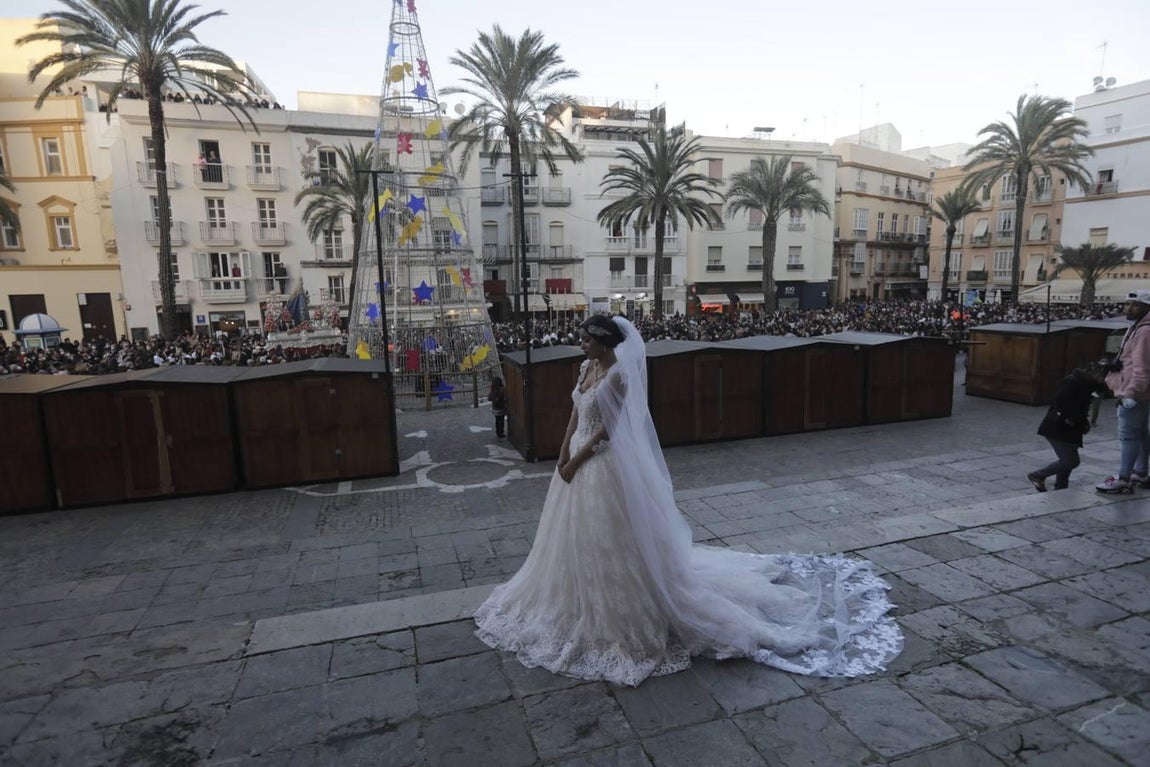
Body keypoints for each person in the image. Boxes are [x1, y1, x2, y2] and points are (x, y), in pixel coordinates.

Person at [474, 314, 902, 686]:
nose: (581, 344)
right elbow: (575, 413)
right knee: (571, 540)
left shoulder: (619, 376)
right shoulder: (585, 367)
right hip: (574, 461)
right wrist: (562, 453)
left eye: (587, 339)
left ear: (605, 341)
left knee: (613, 541)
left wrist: (579, 459)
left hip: (601, 464)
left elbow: (610, 429)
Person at [1096, 290, 1150, 494]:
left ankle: (1124, 478)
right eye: (1127, 304)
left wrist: (1130, 393)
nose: (1128, 308)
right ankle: (1141, 472)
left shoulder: (1144, 331)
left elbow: (1143, 369)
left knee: (1128, 435)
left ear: (1147, 308)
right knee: (1142, 433)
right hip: (1141, 392)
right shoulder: (1138, 327)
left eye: (1135, 304)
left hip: (1134, 392)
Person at [1028, 363, 1108, 492]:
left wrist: (1082, 422)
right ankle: (1038, 475)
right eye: (1101, 377)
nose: (1103, 380)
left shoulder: (1086, 384)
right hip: (1059, 427)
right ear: (1094, 374)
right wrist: (1070, 420)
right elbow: (1061, 402)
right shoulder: (1073, 383)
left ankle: (1061, 488)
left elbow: (1101, 390)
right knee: (1071, 461)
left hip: (1070, 428)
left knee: (1066, 460)